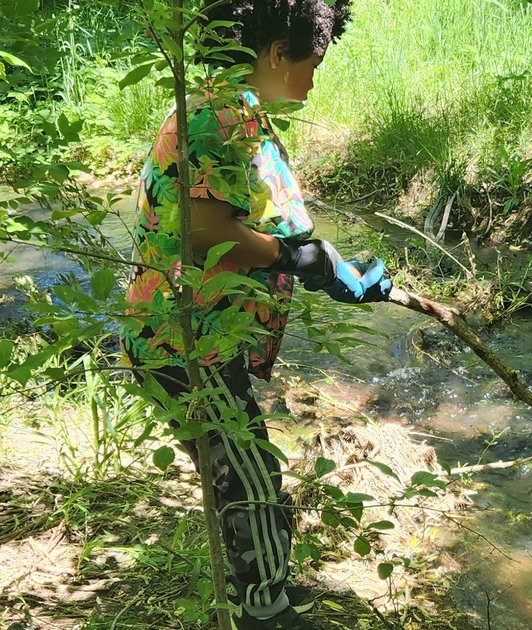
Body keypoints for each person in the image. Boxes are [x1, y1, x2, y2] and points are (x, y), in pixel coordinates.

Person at [120, 1, 389, 628]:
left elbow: (255, 224)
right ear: (275, 53)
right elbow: (202, 231)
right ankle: (265, 609)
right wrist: (295, 258)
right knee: (252, 480)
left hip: (201, 333)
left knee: (235, 470)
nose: (314, 79)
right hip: (187, 340)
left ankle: (247, 591)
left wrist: (323, 266)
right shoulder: (217, 117)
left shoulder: (232, 110)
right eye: (312, 63)